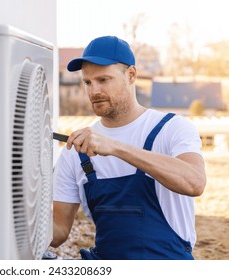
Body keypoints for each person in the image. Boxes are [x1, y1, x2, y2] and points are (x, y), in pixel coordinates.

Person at [51, 35, 206, 260]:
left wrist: (115, 147)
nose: (93, 91)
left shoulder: (172, 128)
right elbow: (58, 232)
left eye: (103, 80)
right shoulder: (76, 151)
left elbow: (195, 182)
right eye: (87, 82)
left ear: (131, 75)